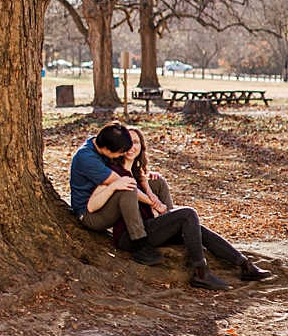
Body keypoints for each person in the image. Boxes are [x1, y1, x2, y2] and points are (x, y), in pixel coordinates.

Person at [71, 122, 273, 290]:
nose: (130, 149)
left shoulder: (132, 170)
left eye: (135, 143)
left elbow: (135, 182)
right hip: (121, 231)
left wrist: (148, 186)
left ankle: (245, 265)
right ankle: (198, 272)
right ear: (112, 151)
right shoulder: (106, 167)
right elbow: (113, 189)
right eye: (126, 147)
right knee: (187, 214)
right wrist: (151, 199)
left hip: (145, 223)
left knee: (196, 229)